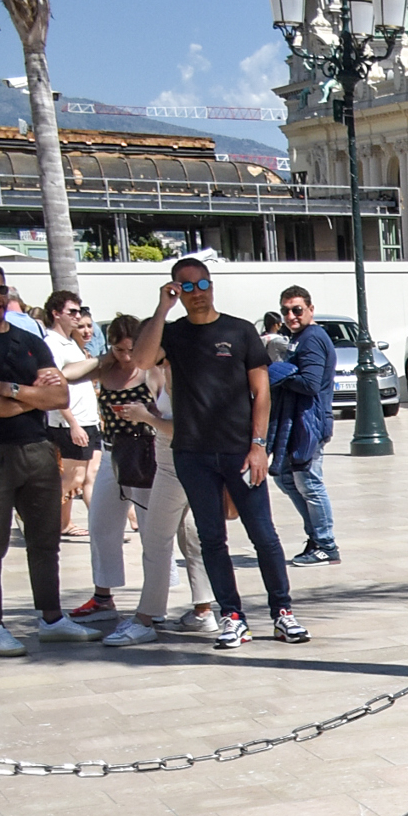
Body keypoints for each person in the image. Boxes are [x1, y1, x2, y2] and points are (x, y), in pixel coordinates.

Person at [129, 258, 307, 648]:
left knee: (264, 534)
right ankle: (232, 616)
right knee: (211, 538)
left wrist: (258, 446)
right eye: (186, 287)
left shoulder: (239, 330)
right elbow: (141, 360)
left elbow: (262, 392)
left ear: (212, 285)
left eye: (202, 284)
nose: (196, 293)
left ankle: (283, 613)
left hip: (240, 451)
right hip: (192, 454)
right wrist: (162, 309)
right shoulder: (173, 333)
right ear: (176, 289)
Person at [0, 261, 92, 655]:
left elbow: (60, 397)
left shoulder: (28, 339)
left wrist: (9, 389)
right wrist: (30, 396)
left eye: (0, 289)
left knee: (46, 539)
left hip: (38, 448)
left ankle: (51, 618)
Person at [81, 313, 194, 645]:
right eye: (118, 350)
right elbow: (69, 374)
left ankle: (155, 604)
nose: (126, 357)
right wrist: (103, 358)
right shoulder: (105, 369)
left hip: (147, 455)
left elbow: (168, 415)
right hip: (114, 453)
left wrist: (145, 416)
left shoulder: (154, 371)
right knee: (101, 523)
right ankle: (104, 595)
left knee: (153, 532)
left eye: (131, 350)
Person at [264, 287, 339, 566]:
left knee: (309, 481)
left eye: (297, 309)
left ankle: (326, 544)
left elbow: (310, 383)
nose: (291, 316)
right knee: (285, 477)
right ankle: (316, 537)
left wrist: (278, 374)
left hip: (311, 421)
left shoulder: (312, 339)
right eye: (285, 311)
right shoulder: (298, 337)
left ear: (310, 309)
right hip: (296, 420)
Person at [44, 294, 96, 541]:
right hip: (70, 422)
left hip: (88, 419)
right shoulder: (53, 343)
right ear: (56, 313)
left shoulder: (71, 343)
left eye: (79, 312)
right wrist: (73, 423)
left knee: (87, 477)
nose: (77, 316)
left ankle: (64, 523)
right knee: (72, 478)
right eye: (72, 312)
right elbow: (54, 386)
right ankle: (37, 519)